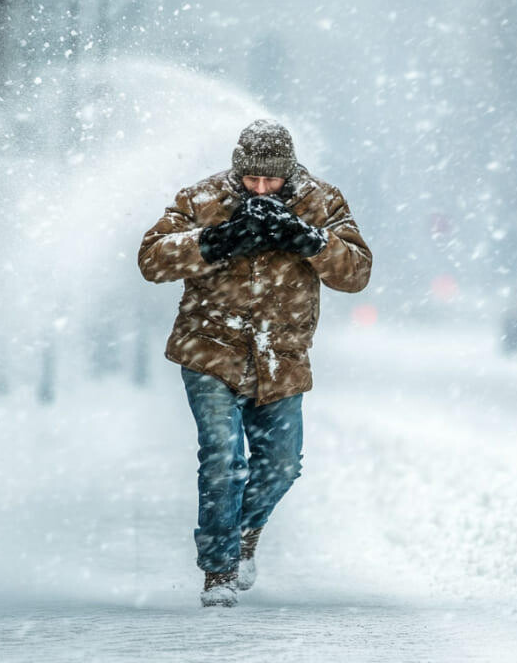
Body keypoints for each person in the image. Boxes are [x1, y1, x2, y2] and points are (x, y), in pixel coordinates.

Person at [137, 119, 373, 607]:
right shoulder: (201, 200)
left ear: (288, 173)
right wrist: (215, 241)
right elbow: (152, 259)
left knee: (282, 465)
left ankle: (244, 532)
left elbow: (357, 273)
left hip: (282, 356)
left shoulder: (322, 204)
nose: (261, 188)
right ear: (237, 169)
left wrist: (309, 240)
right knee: (223, 459)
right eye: (252, 179)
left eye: (272, 180)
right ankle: (219, 572)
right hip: (209, 349)